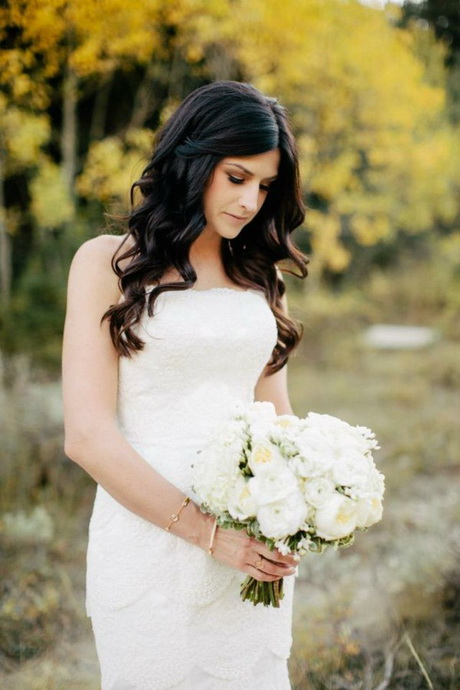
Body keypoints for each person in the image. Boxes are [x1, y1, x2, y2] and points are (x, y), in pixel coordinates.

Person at [62, 80, 308, 689]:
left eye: (265, 185)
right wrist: (207, 534)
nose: (251, 200)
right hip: (150, 533)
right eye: (236, 176)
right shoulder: (105, 263)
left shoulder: (258, 281)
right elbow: (87, 436)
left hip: (251, 539)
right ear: (192, 161)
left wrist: (309, 501)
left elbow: (278, 420)